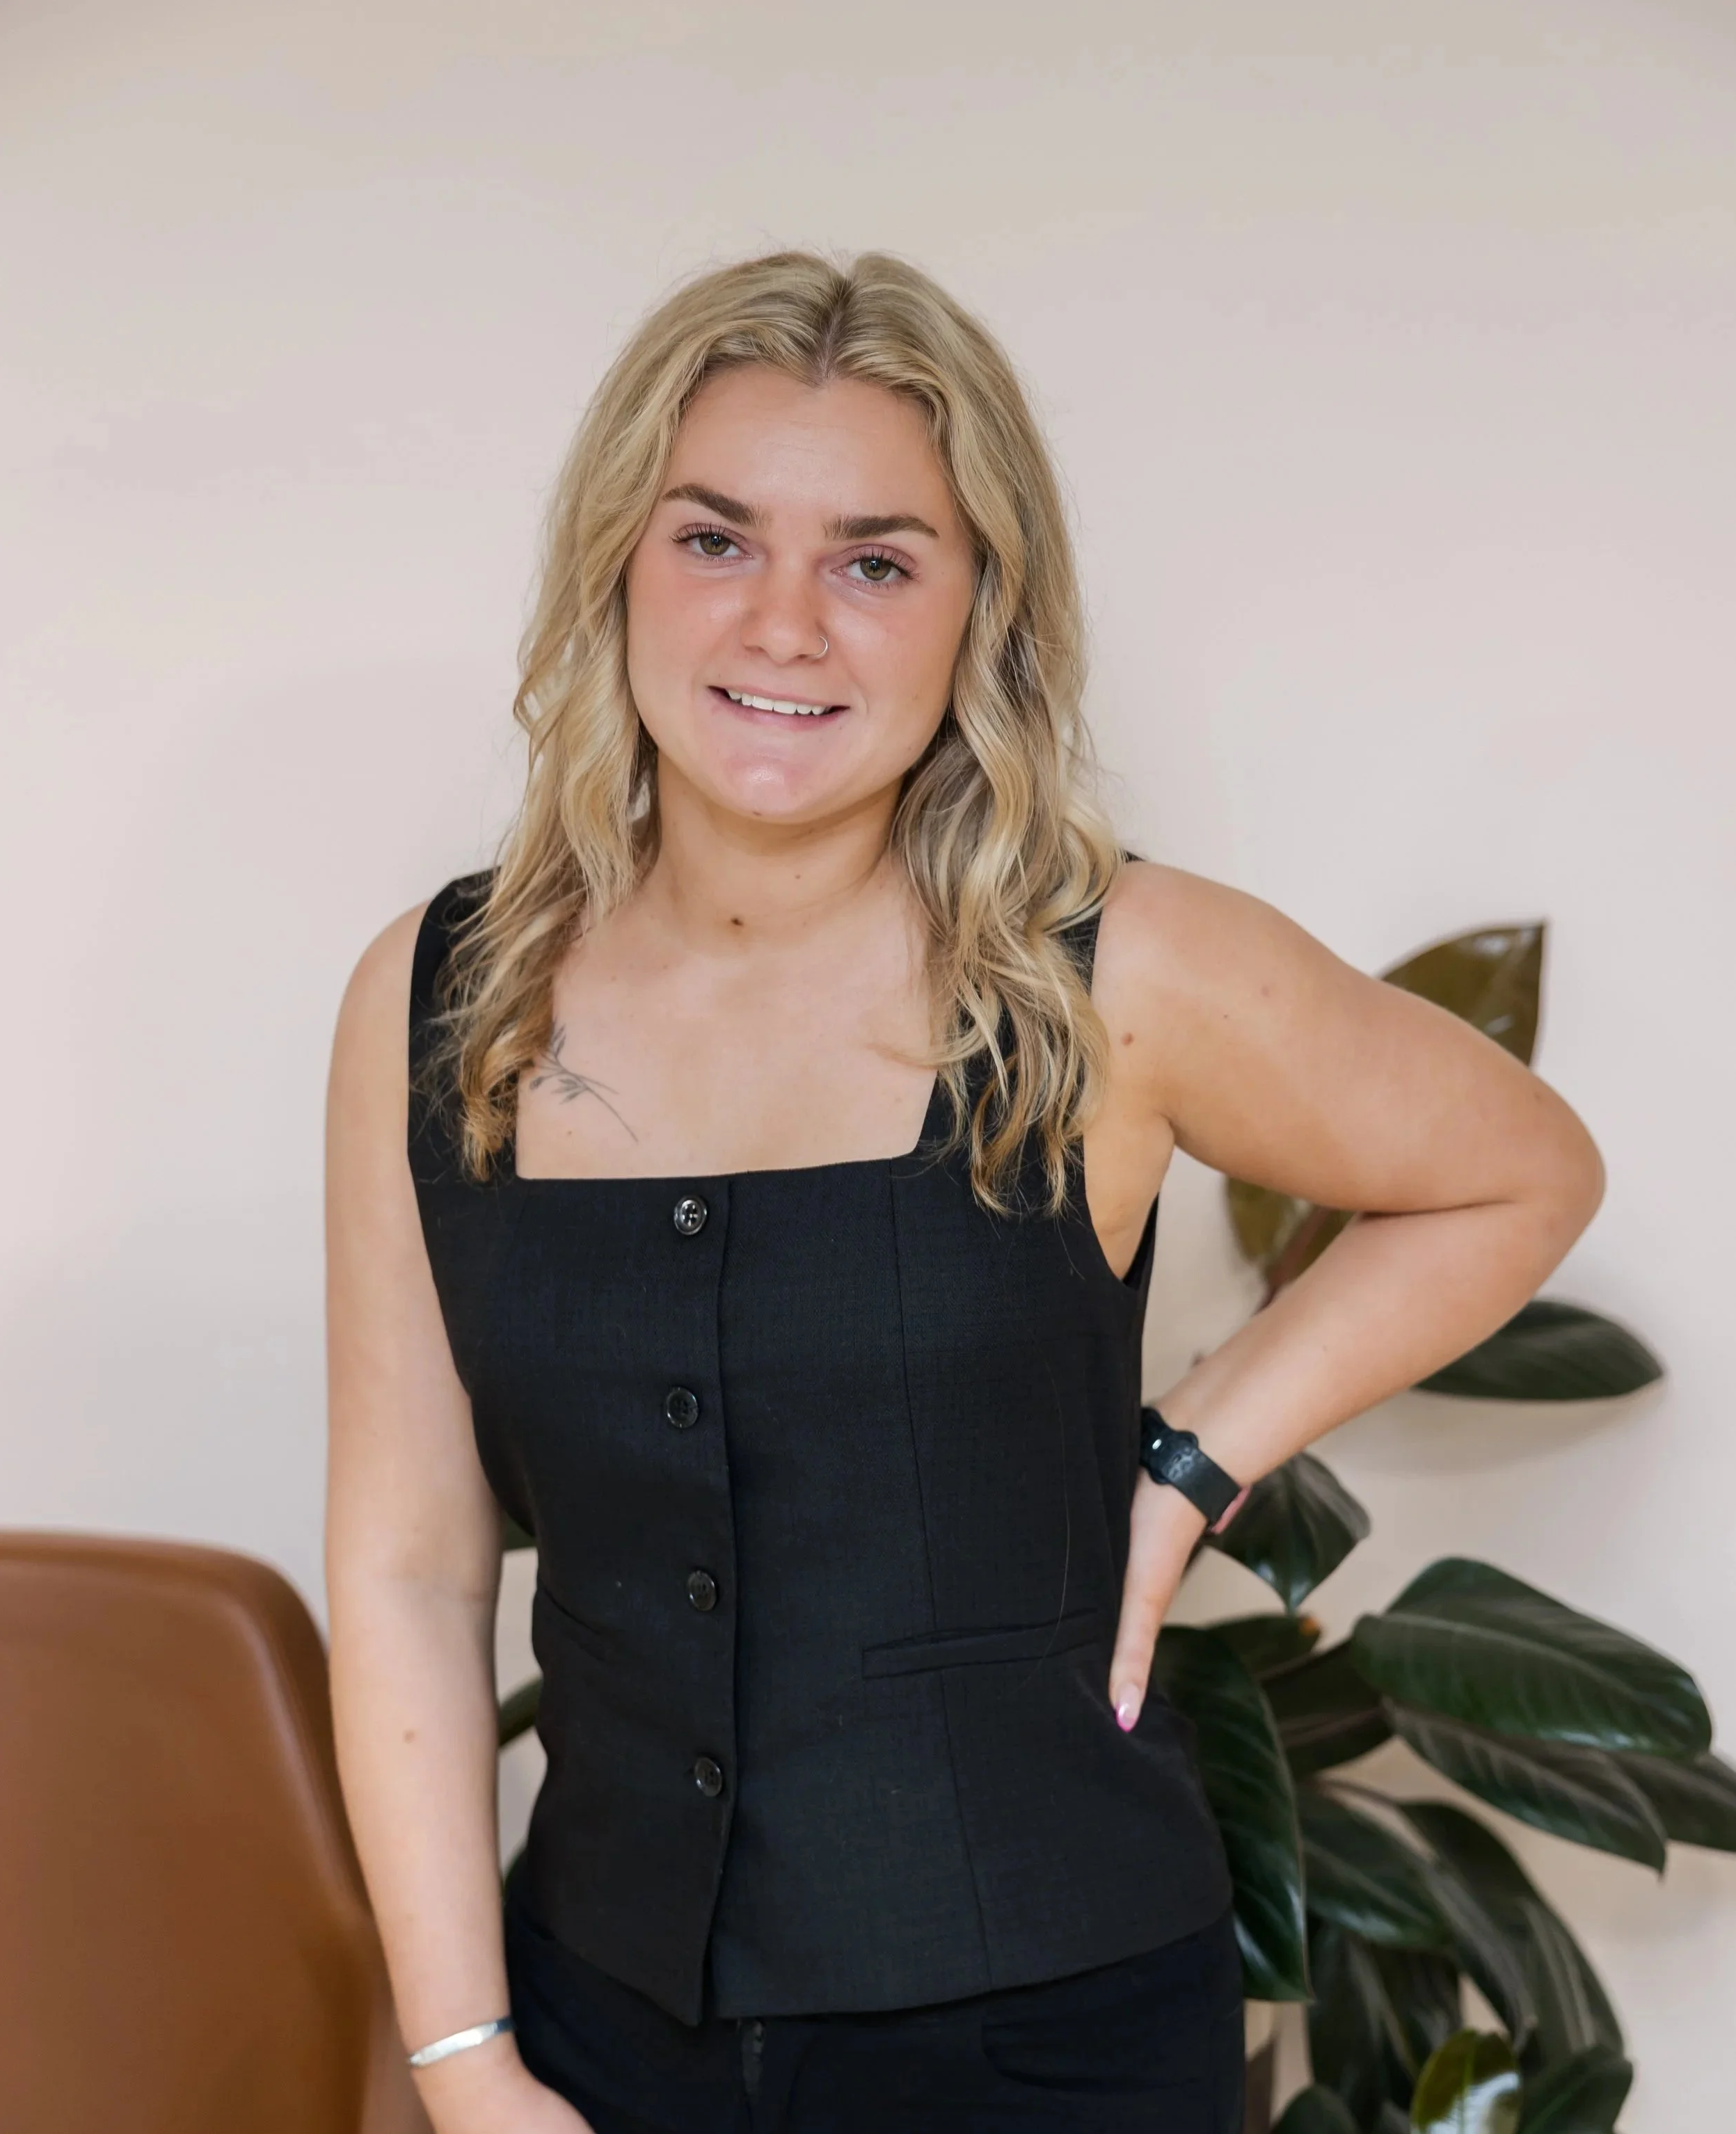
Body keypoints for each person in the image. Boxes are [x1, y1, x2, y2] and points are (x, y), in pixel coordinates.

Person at [322, 249, 1604, 2134]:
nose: (784, 625)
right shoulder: (444, 995)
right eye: (714, 539)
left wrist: (1197, 1453)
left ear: (976, 613)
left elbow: (1521, 1169)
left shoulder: (1122, 973)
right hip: (592, 2041)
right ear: (616, 561)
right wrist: (466, 2062)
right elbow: (413, 1564)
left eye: (875, 560)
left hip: (1055, 2053)